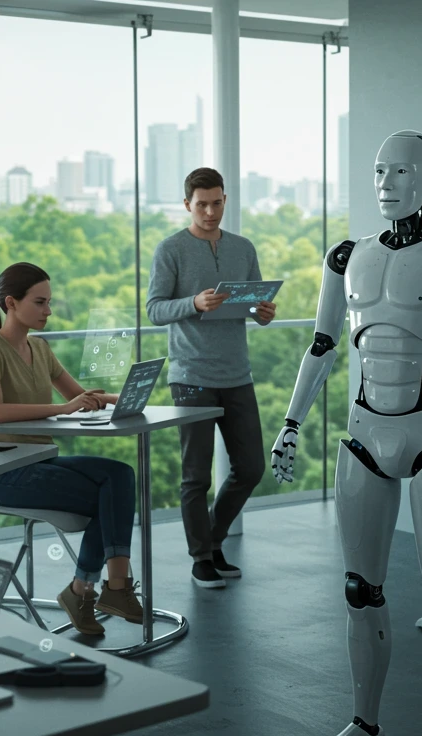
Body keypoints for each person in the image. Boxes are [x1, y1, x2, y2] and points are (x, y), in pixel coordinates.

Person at [0, 262, 142, 635]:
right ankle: (101, 590)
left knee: (120, 475)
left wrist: (123, 397)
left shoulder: (39, 348)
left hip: (42, 461)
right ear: (11, 303)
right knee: (106, 496)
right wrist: (63, 409)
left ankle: (97, 590)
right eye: (40, 302)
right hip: (3, 473)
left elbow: (77, 395)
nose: (48, 311)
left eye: (49, 302)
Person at [146, 167, 276, 589]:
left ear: (225, 201)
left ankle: (212, 539)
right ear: (187, 204)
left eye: (217, 202)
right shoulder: (171, 250)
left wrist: (264, 313)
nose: (210, 211)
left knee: (251, 468)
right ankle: (202, 557)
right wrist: (193, 303)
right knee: (196, 476)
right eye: (201, 204)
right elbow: (154, 309)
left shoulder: (242, 247)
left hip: (238, 374)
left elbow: (255, 302)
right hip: (191, 377)